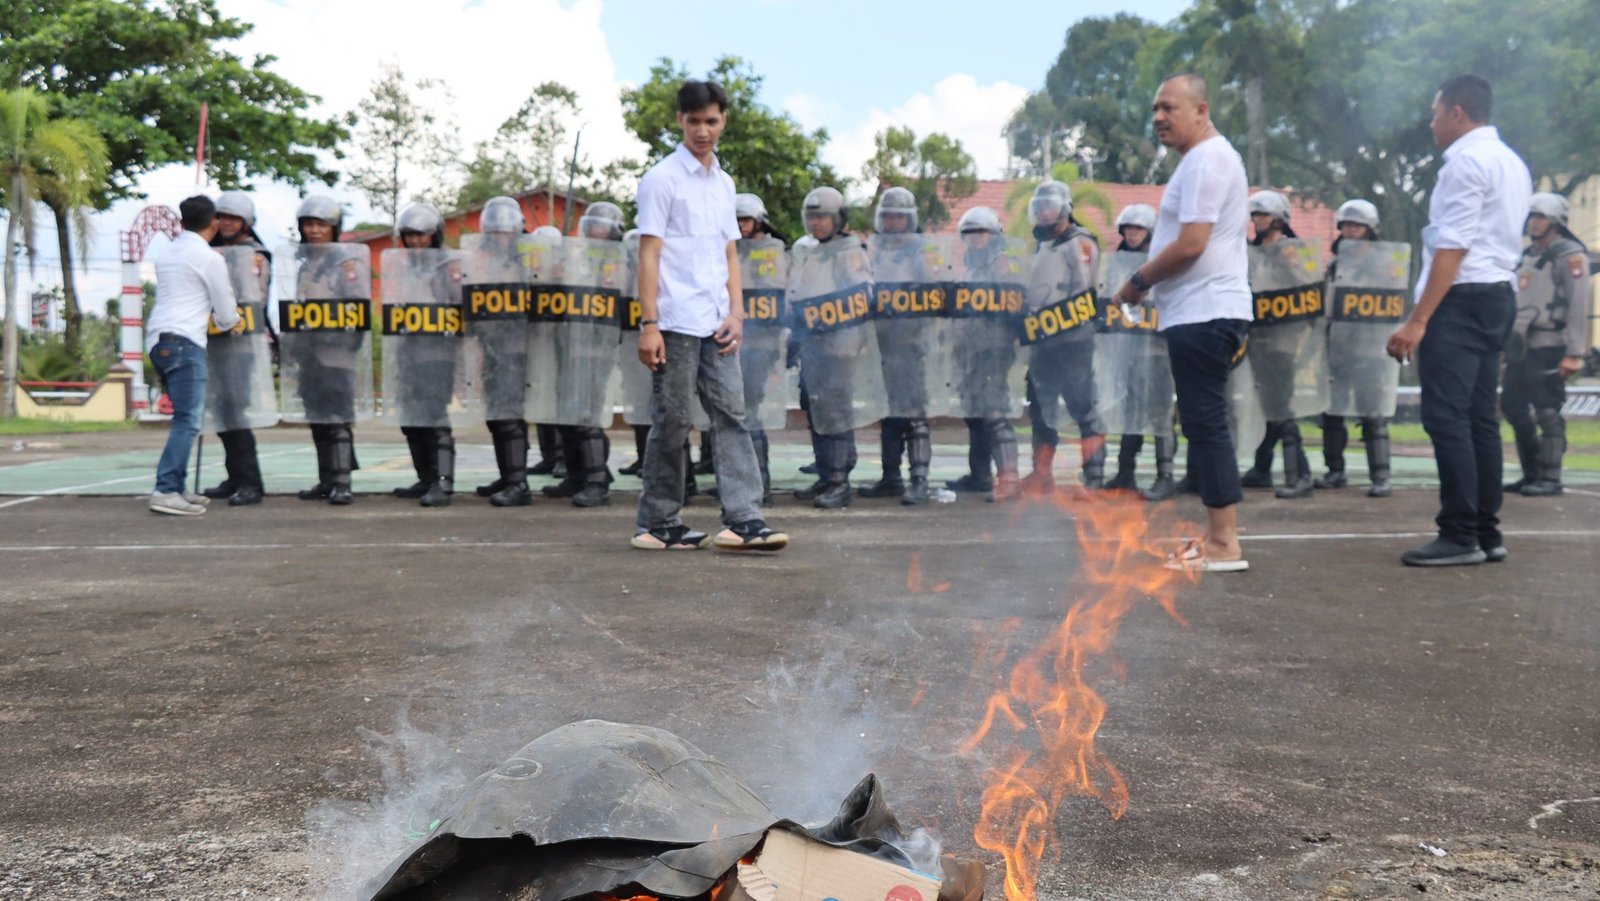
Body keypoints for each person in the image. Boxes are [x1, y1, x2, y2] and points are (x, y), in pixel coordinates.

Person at [630, 79, 787, 551]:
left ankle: (744, 519)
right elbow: (648, 254)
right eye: (694, 121)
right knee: (673, 421)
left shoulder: (724, 184)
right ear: (680, 121)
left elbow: (729, 253)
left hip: (717, 321)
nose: (703, 131)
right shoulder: (661, 179)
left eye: (712, 121)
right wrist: (649, 324)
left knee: (732, 415)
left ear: (723, 121)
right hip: (674, 321)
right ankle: (658, 522)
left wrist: (737, 312)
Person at [1386, 74, 1532, 566]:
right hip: (1496, 294)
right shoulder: (1511, 161)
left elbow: (1452, 247)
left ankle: (1460, 533)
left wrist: (1417, 320)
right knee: (1478, 417)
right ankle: (1486, 531)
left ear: (1457, 112)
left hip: (1461, 298)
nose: (1431, 124)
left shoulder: (1466, 163)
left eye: (1435, 114)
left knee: (1447, 417)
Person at [1112, 73, 1251, 572]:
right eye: (1155, 108)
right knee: (1202, 421)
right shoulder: (1205, 159)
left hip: (1206, 310)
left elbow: (1192, 244)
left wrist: (1137, 282)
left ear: (1201, 110)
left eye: (1169, 107)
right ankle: (1218, 536)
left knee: (1206, 422)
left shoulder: (1207, 159)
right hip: (1201, 310)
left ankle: (1224, 544)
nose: (1158, 117)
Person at [146, 195, 241, 515]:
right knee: (188, 420)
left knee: (183, 417)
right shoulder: (209, 257)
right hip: (185, 342)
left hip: (158, 340)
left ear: (181, 222)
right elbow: (225, 310)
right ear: (214, 222)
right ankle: (166, 489)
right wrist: (231, 322)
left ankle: (176, 485)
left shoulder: (168, 252)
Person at [281, 195, 371, 506]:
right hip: (309, 354)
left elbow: (359, 308)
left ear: (334, 227)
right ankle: (326, 479)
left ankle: (343, 482)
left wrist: (341, 338)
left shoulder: (346, 263)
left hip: (336, 353)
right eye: (309, 224)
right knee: (317, 417)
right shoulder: (305, 265)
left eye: (321, 224)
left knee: (338, 418)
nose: (314, 230)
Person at [1020, 180, 1105, 493]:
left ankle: (1094, 476)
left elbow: (1085, 290)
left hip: (1073, 339)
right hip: (1043, 339)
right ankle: (1041, 474)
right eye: (1040, 207)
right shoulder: (1041, 244)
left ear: (1064, 209)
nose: (1044, 212)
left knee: (1082, 405)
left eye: (1050, 206)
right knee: (1041, 408)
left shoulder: (1079, 242)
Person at [790, 186, 872, 508]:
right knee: (815, 409)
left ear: (838, 218)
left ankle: (839, 481)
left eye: (822, 217)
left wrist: (838, 331)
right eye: (812, 217)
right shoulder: (812, 251)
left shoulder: (850, 252)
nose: (816, 223)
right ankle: (826, 474)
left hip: (838, 347)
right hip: (812, 346)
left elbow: (862, 298)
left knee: (835, 411)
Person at [1505, 192, 1590, 497]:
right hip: (1520, 344)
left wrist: (1574, 352)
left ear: (1555, 221)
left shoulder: (1570, 256)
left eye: (1540, 217)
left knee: (1547, 409)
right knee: (1512, 406)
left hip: (1551, 343)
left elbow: (1578, 306)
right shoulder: (1526, 255)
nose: (1533, 222)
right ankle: (1531, 473)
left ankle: (1550, 477)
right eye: (1531, 216)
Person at [1096, 202, 1179, 501]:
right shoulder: (1118, 263)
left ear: (1150, 232)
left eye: (1138, 229)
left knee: (1159, 413)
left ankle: (1165, 475)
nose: (1132, 234)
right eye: (1128, 229)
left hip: (1157, 350)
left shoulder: (1161, 263)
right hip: (1128, 350)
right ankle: (1125, 472)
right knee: (1130, 411)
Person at [862, 186, 939, 505]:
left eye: (899, 217)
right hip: (884, 342)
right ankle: (890, 477)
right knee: (890, 412)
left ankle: (919, 479)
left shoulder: (920, 251)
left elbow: (933, 293)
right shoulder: (877, 250)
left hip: (911, 342)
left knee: (914, 413)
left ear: (909, 219)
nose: (893, 222)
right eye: (889, 216)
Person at [1316, 199, 1397, 498]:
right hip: (1337, 347)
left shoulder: (1385, 265)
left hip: (1371, 349)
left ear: (1370, 229)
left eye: (1357, 225)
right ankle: (1335, 471)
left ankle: (1381, 476)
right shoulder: (1334, 265)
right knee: (1331, 413)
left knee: (1373, 414)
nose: (1351, 230)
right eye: (1347, 225)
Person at [384, 203, 462, 507]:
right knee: (411, 418)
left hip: (437, 353)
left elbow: (460, 307)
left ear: (435, 234)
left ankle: (443, 482)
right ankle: (426, 477)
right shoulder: (404, 265)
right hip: (409, 351)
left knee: (434, 417)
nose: (415, 241)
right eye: (410, 235)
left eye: (421, 235)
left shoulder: (448, 264)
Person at [1240, 190, 1317, 499]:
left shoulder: (1291, 251)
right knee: (1265, 407)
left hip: (1282, 342)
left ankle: (1301, 475)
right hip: (1256, 340)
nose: (1257, 221)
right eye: (1255, 215)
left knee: (1281, 407)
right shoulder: (1251, 253)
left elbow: (1308, 288)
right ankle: (1262, 468)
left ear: (1277, 219)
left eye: (1263, 215)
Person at [200, 190, 274, 506]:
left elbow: (254, 297)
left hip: (242, 343)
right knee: (221, 411)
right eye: (221, 217)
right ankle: (234, 476)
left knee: (235, 411)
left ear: (246, 222)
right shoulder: (211, 251)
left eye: (233, 218)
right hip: (214, 340)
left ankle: (250, 482)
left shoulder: (255, 255)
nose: (226, 223)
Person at [946, 206, 1023, 502]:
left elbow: (1015, 301)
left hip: (994, 346)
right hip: (971, 347)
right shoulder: (971, 265)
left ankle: (1009, 479)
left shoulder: (1003, 263)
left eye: (981, 233)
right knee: (974, 412)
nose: (975, 238)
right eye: (970, 233)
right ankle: (979, 475)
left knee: (993, 411)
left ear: (994, 235)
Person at [463, 196, 536, 507]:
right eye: (493, 231)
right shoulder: (488, 262)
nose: (499, 236)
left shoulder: (530, 260)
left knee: (509, 416)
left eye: (504, 230)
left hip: (517, 350)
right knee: (495, 416)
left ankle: (518, 482)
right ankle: (508, 475)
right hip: (491, 348)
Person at [527, 224, 567, 481]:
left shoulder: (566, 276)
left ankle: (563, 457)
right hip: (538, 342)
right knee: (541, 396)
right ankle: (548, 455)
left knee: (559, 399)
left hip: (561, 344)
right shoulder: (531, 276)